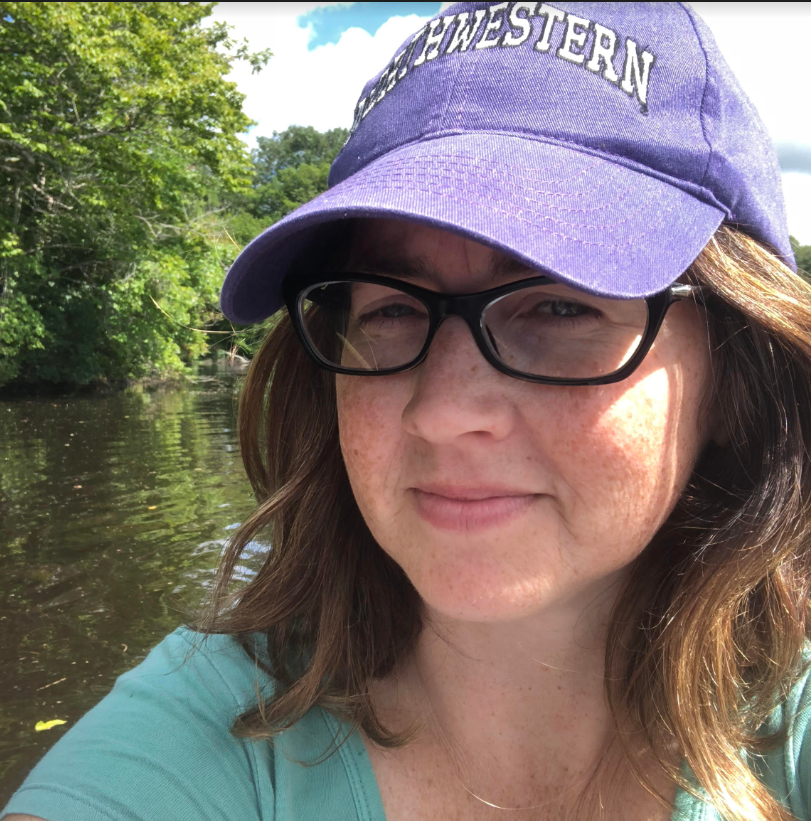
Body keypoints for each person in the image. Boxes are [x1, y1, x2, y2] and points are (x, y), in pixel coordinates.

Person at [4, 2, 811, 820]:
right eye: (390, 308)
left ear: (738, 375)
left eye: (561, 307)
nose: (442, 411)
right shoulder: (211, 732)